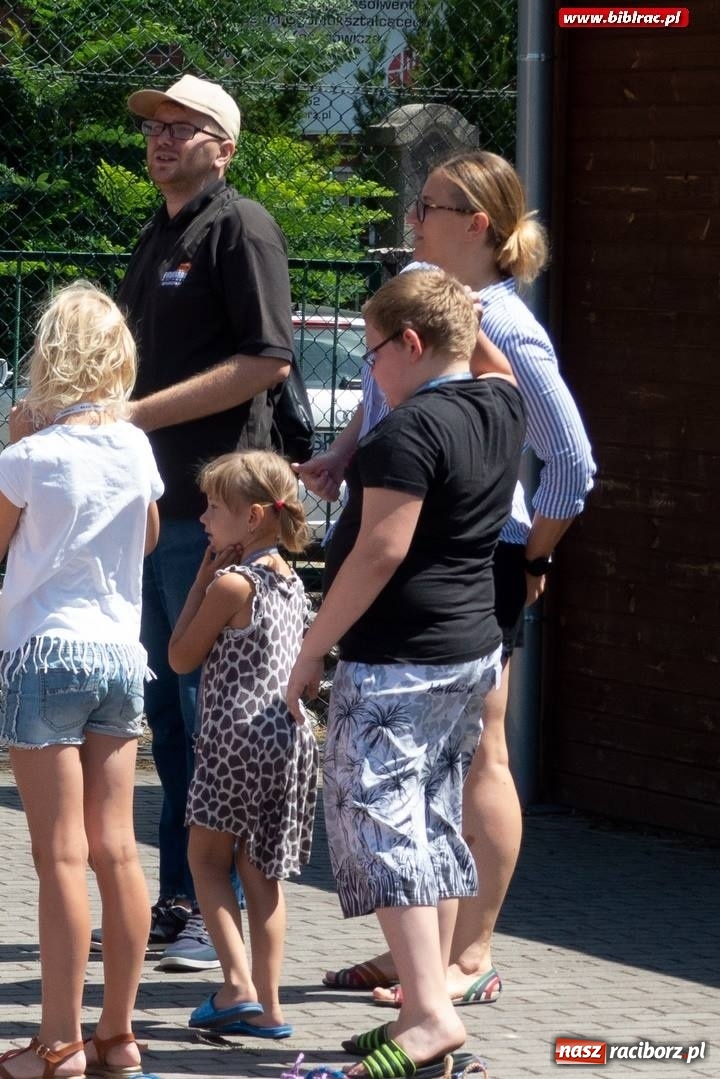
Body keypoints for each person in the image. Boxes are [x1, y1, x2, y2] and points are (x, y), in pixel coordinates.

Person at [299, 150, 595, 1008]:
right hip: (413, 555)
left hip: (473, 559)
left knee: (477, 755)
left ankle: (471, 954)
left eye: (429, 205)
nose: (412, 217)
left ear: (478, 225)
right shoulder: (429, 297)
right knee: (425, 766)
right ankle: (418, 954)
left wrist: (532, 558)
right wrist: (346, 451)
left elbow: (573, 466)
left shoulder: (504, 321)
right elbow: (386, 392)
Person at [285, 269, 522, 1078]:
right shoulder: (498, 404)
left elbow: (382, 549)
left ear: (412, 344)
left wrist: (314, 644)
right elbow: (500, 367)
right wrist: (466, 314)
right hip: (469, 651)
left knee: (382, 829)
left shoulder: (407, 432)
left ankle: (426, 1015)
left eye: (374, 349)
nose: (369, 368)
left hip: (398, 659)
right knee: (430, 820)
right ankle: (437, 1005)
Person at [0, 281, 162, 1079]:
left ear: (50, 359)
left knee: (59, 855)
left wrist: (12, 453)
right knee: (117, 849)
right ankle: (119, 1032)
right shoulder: (135, 448)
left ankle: (57, 1042)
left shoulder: (27, 455)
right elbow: (145, 538)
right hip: (119, 654)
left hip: (46, 654)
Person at [115, 74, 296, 971]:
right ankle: (182, 898)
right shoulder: (159, 232)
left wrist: (138, 418)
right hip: (154, 509)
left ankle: (214, 913)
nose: (162, 139)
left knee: (206, 711)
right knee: (168, 711)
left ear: (223, 147)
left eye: (184, 129)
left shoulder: (241, 227)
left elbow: (266, 359)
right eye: (155, 126)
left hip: (213, 517)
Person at [167, 451, 316, 1043]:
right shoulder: (291, 580)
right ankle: (271, 1006)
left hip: (234, 739)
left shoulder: (233, 583)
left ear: (252, 516)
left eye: (214, 507)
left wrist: (203, 577)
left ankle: (235, 987)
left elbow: (181, 655)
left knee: (205, 862)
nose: (204, 517)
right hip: (286, 738)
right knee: (262, 877)